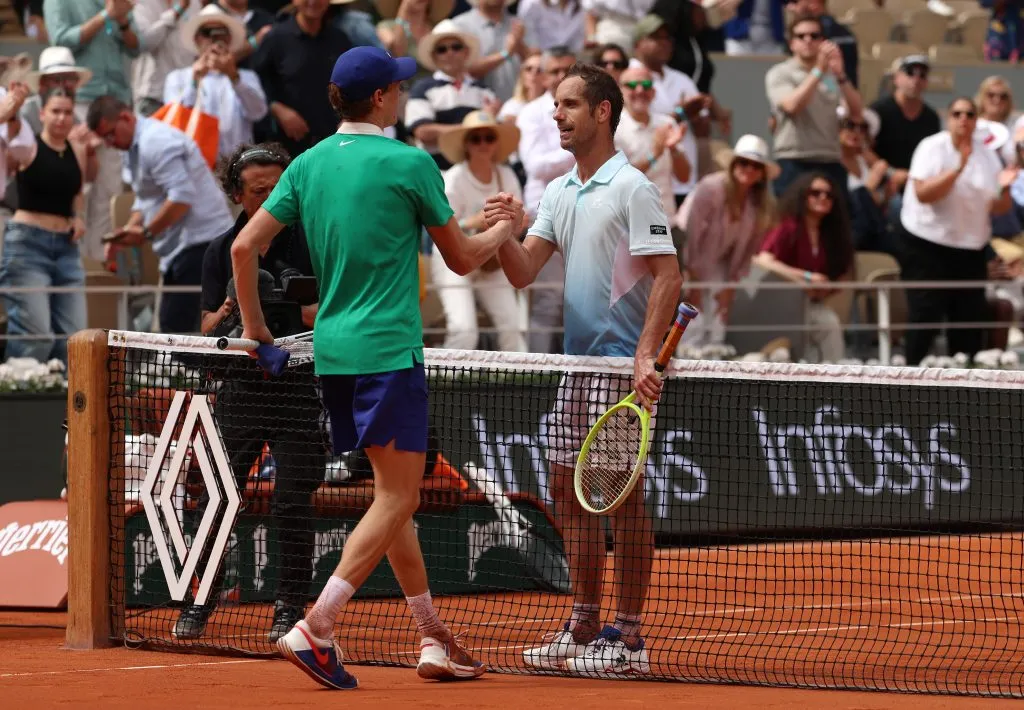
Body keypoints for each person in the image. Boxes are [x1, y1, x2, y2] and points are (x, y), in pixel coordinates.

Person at [230, 45, 522, 688]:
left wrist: (255, 331)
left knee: (396, 502)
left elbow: (244, 245)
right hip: (389, 352)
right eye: (399, 86)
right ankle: (318, 625)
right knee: (398, 494)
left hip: (333, 356)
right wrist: (507, 228)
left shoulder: (307, 166)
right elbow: (465, 260)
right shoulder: (410, 163)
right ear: (384, 98)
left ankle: (431, 636)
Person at [484, 62, 682, 676]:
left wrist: (646, 355)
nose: (557, 115)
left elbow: (668, 276)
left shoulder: (633, 187)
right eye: (554, 105)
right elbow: (521, 272)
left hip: (622, 369)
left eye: (569, 104)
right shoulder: (561, 192)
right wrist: (507, 229)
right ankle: (584, 620)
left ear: (602, 112)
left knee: (623, 501)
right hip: (576, 365)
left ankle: (629, 639)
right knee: (569, 491)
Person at [172, 142, 322, 643]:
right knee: (219, 498)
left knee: (292, 500)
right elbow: (206, 325)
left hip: (299, 387)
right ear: (238, 194)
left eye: (280, 188)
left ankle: (289, 607)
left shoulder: (312, 240)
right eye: (259, 190)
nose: (271, 197)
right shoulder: (222, 250)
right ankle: (200, 601)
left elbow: (330, 311)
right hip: (240, 390)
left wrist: (299, 312)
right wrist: (238, 304)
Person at [87, 95, 236, 333]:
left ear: (126, 117)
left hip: (202, 243)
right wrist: (126, 232)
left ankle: (198, 370)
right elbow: (146, 199)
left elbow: (181, 198)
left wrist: (145, 233)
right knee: (177, 330)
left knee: (182, 331)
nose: (109, 143)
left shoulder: (156, 141)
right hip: (183, 248)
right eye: (104, 138)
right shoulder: (130, 147)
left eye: (110, 134)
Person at [897, 97, 1019, 365]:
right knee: (924, 317)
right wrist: (958, 168)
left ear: (976, 120)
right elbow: (924, 194)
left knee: (968, 325)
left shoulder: (987, 156)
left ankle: (962, 393)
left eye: (969, 114)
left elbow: (999, 206)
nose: (963, 118)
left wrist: (1007, 186)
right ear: (948, 118)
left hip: (969, 251)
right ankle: (906, 385)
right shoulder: (931, 147)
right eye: (957, 113)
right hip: (926, 246)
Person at [44, 0, 141, 263]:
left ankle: (101, 266)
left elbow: (136, 47)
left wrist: (121, 20)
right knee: (80, 189)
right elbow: (60, 39)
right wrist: (105, 15)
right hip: (78, 101)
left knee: (110, 192)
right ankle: (77, 265)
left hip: (115, 100)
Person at [0, 87, 85, 365]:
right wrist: (13, 105)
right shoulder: (28, 144)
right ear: (42, 114)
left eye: (67, 112)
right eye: (55, 111)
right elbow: (12, 129)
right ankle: (20, 401)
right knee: (35, 337)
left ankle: (67, 405)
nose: (61, 118)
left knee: (75, 340)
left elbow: (77, 192)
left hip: (67, 249)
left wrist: (78, 218)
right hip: (27, 246)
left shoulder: (77, 148)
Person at [433, 111, 526, 352]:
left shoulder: (507, 175)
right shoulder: (454, 177)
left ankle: (521, 384)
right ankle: (444, 384)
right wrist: (472, 222)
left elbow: (520, 222)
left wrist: (510, 225)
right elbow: (440, 227)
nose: (483, 143)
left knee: (512, 326)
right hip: (452, 256)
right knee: (464, 331)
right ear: (466, 144)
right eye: (476, 139)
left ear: (496, 143)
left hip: (491, 258)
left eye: (489, 137)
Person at [676, 134, 777, 348]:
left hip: (722, 266)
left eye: (756, 165)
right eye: (743, 162)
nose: (749, 169)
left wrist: (731, 287)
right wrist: (693, 281)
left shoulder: (758, 203)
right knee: (693, 323)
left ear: (762, 174)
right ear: (733, 164)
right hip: (687, 260)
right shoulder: (710, 187)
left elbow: (747, 252)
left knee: (718, 322)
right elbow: (692, 236)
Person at [753, 172, 853, 362]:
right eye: (815, 193)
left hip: (814, 304)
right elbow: (763, 260)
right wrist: (805, 278)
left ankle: (837, 381)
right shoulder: (789, 226)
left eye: (828, 195)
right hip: (782, 304)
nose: (822, 198)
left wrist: (824, 288)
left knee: (830, 323)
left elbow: (839, 275)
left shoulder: (832, 234)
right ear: (803, 196)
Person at [765, 12, 862, 201]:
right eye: (801, 36)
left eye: (814, 35)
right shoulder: (780, 73)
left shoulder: (833, 77)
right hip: (794, 160)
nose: (808, 40)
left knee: (833, 227)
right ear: (792, 43)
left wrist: (841, 75)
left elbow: (857, 114)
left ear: (823, 41)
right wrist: (818, 71)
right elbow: (792, 106)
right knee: (791, 225)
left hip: (831, 160)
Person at [165, 5, 269, 161]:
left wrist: (234, 77)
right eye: (207, 33)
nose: (215, 39)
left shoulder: (246, 77)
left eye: (221, 33)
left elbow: (258, 113)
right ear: (197, 39)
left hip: (236, 166)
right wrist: (195, 81)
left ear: (229, 38)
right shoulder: (178, 78)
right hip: (196, 166)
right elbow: (175, 121)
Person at [251, 0, 352, 157]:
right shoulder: (276, 38)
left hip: (333, 142)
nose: (313, 2)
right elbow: (256, 80)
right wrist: (276, 108)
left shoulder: (340, 39)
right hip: (287, 144)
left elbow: (351, 83)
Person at [406, 19, 498, 170]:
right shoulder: (422, 88)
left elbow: (494, 137)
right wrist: (475, 125)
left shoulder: (484, 90)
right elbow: (423, 132)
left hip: (478, 172)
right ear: (434, 56)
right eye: (442, 49)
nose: (449, 53)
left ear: (466, 52)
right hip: (437, 173)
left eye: (456, 47)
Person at [615, 63, 690, 220]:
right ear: (620, 91)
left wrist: (674, 149)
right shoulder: (612, 128)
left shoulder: (667, 123)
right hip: (629, 225)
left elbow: (684, 177)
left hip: (666, 220)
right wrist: (654, 154)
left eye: (646, 85)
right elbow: (618, 181)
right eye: (632, 85)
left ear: (654, 92)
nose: (640, 90)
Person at [869, 55, 941, 218]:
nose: (915, 79)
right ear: (896, 78)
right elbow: (863, 149)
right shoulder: (879, 110)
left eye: (922, 75)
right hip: (882, 182)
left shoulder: (931, 118)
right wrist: (890, 173)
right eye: (909, 73)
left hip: (918, 184)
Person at [132, 0, 200, 117]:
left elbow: (197, 47)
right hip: (154, 97)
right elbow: (145, 43)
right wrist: (176, 12)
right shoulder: (143, 4)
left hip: (186, 97)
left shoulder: (194, 4)